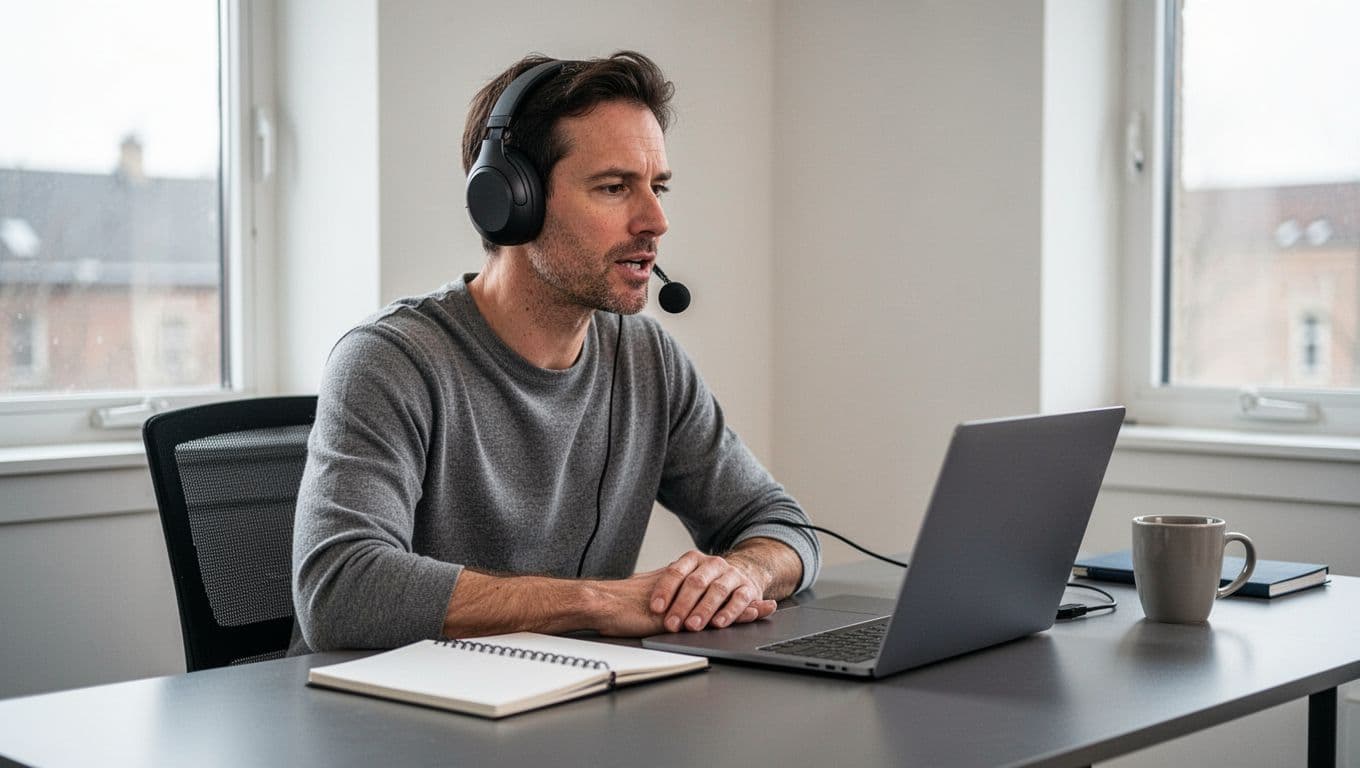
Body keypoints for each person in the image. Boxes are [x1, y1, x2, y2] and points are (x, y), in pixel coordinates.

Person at [289, 51, 819, 653]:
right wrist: (598, 601)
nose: (656, 220)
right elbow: (341, 592)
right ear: (513, 200)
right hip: (382, 727)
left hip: (554, 710)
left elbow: (780, 523)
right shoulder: (391, 361)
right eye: (615, 187)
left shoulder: (648, 361)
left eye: (659, 187)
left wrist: (742, 573)